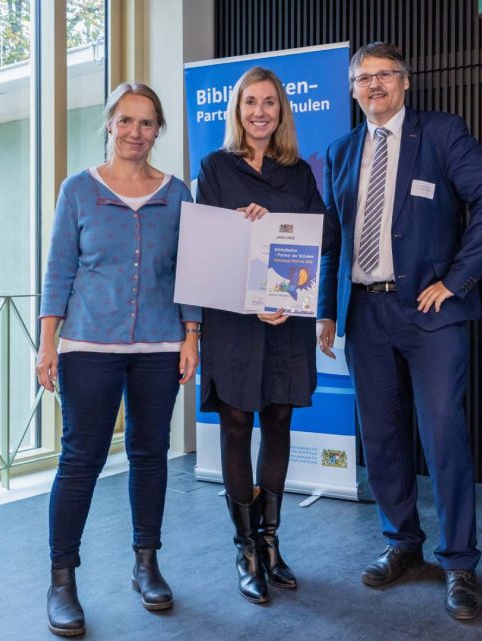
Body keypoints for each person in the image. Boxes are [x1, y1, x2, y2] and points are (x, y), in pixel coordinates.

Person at [316, 42, 482, 621]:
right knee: (381, 435)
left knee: (444, 433)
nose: (373, 86)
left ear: (404, 82)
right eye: (362, 78)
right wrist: (326, 310)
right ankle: (402, 543)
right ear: (351, 91)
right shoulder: (341, 150)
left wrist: (457, 279)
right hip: (365, 314)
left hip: (431, 316)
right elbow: (332, 239)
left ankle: (459, 562)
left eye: (383, 76)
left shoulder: (443, 133)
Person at [36, 82, 201, 637]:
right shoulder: (78, 191)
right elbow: (59, 269)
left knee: (150, 454)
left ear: (159, 131)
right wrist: (48, 343)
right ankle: (62, 580)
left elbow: (189, 271)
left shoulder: (177, 194)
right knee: (80, 460)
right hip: (88, 347)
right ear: (109, 124)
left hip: (158, 346)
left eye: (147, 123)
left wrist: (191, 334)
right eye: (125, 121)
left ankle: (146, 564)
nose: (135, 132)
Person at [194, 65, 338, 604]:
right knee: (236, 424)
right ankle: (245, 549)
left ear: (282, 111)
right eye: (250, 102)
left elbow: (322, 236)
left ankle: (271, 543)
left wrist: (274, 226)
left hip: (287, 319)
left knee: (278, 419)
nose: (260, 111)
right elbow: (206, 245)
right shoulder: (215, 167)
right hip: (234, 319)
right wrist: (240, 226)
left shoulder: (299, 171)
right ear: (237, 110)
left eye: (270, 103)